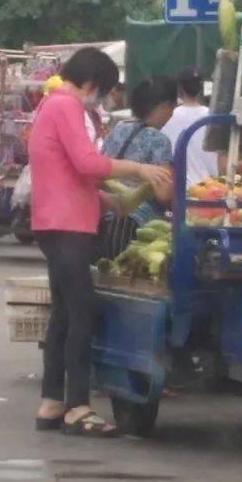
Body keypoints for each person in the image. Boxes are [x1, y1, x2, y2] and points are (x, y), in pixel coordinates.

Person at [29, 47, 170, 436]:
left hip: (53, 219)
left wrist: (106, 199)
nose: (103, 99)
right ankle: (77, 406)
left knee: (63, 313)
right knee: (81, 313)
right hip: (68, 224)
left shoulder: (49, 107)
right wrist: (140, 168)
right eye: (104, 91)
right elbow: (87, 163)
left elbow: (64, 170)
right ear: (92, 84)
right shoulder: (67, 107)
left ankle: (52, 401)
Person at [99, 75, 178, 259]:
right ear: (165, 106)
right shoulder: (158, 140)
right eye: (172, 108)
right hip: (135, 225)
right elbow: (163, 193)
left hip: (105, 217)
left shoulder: (118, 129)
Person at [162, 68, 218, 187]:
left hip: (182, 191)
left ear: (180, 88)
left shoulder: (169, 116)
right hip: (213, 188)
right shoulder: (213, 116)